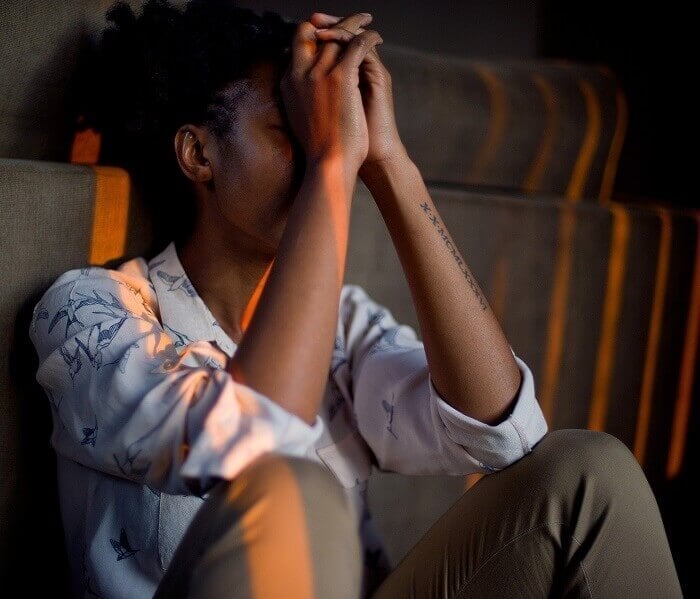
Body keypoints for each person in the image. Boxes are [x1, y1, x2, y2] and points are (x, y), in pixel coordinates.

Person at [29, 1, 683, 597]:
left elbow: (508, 434)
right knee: (292, 487)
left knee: (590, 472)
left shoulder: (345, 322)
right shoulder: (89, 313)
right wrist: (334, 165)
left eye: (334, 130)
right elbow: (264, 439)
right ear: (199, 154)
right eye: (296, 127)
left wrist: (390, 162)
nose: (327, 144)